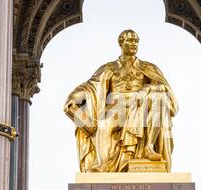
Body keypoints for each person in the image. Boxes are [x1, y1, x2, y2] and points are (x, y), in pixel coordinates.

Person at [64, 30, 178, 172]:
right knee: (104, 125)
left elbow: (165, 88)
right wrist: (74, 97)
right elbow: (90, 86)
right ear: (121, 43)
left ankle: (149, 147)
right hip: (116, 106)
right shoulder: (109, 68)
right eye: (130, 40)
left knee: (159, 99)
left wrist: (147, 88)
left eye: (136, 41)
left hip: (141, 104)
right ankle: (102, 164)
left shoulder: (148, 67)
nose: (133, 44)